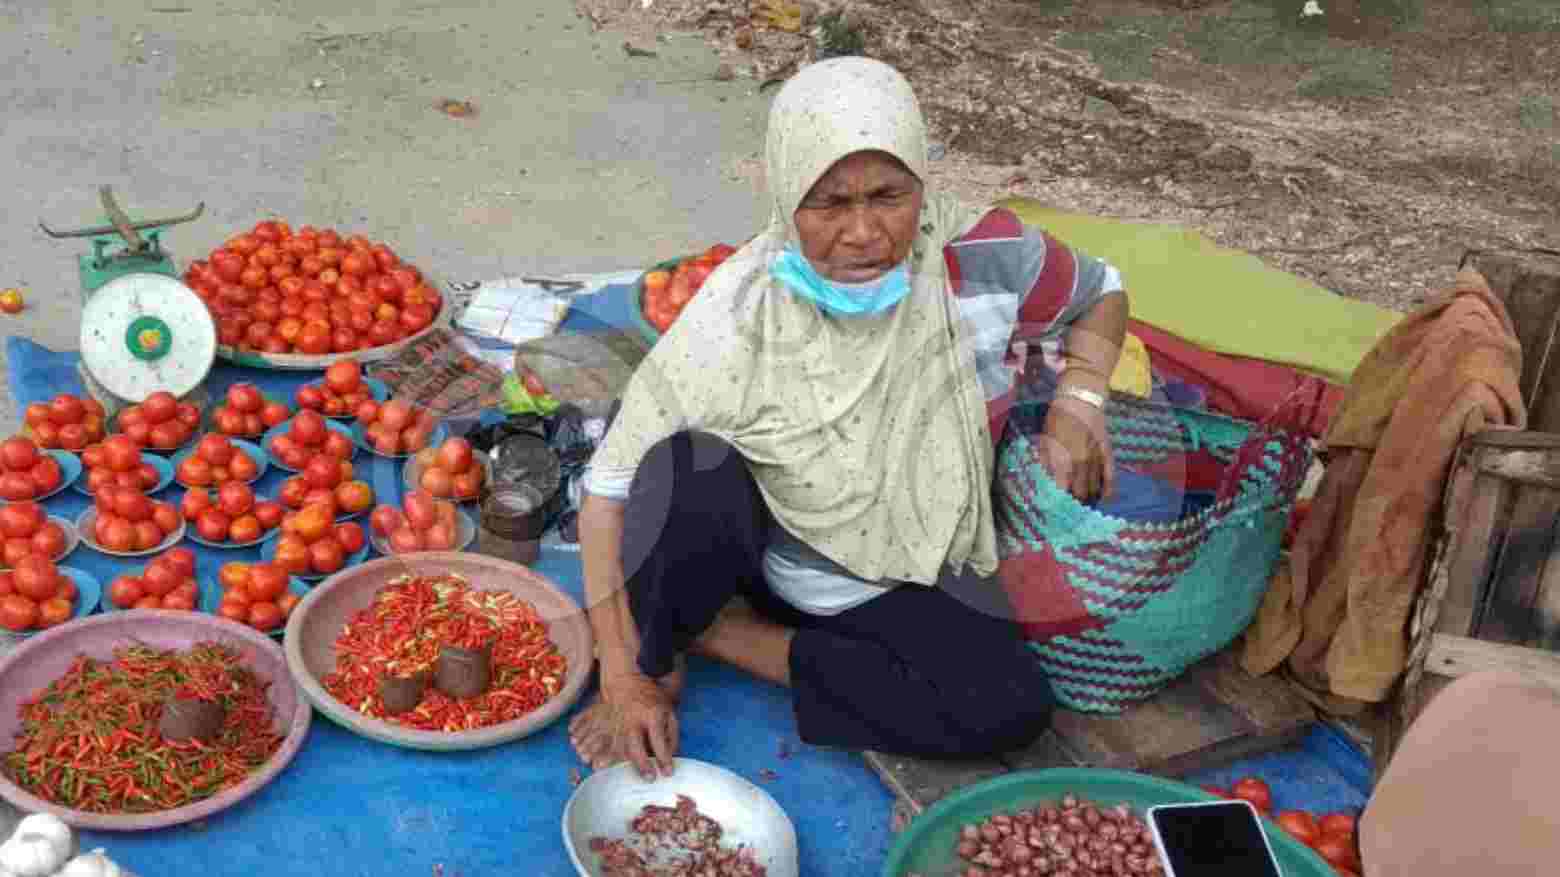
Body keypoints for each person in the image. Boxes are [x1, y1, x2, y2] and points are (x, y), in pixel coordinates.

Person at [569, 56, 1130, 779]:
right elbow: (606, 492)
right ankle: (672, 635)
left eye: (888, 196)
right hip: (767, 552)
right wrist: (621, 673)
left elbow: (1102, 292)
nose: (863, 232)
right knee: (680, 466)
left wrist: (1081, 397)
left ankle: (714, 634)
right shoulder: (742, 305)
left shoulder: (984, 253)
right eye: (830, 203)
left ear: (923, 185)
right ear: (786, 198)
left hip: (918, 561)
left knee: (1008, 705)